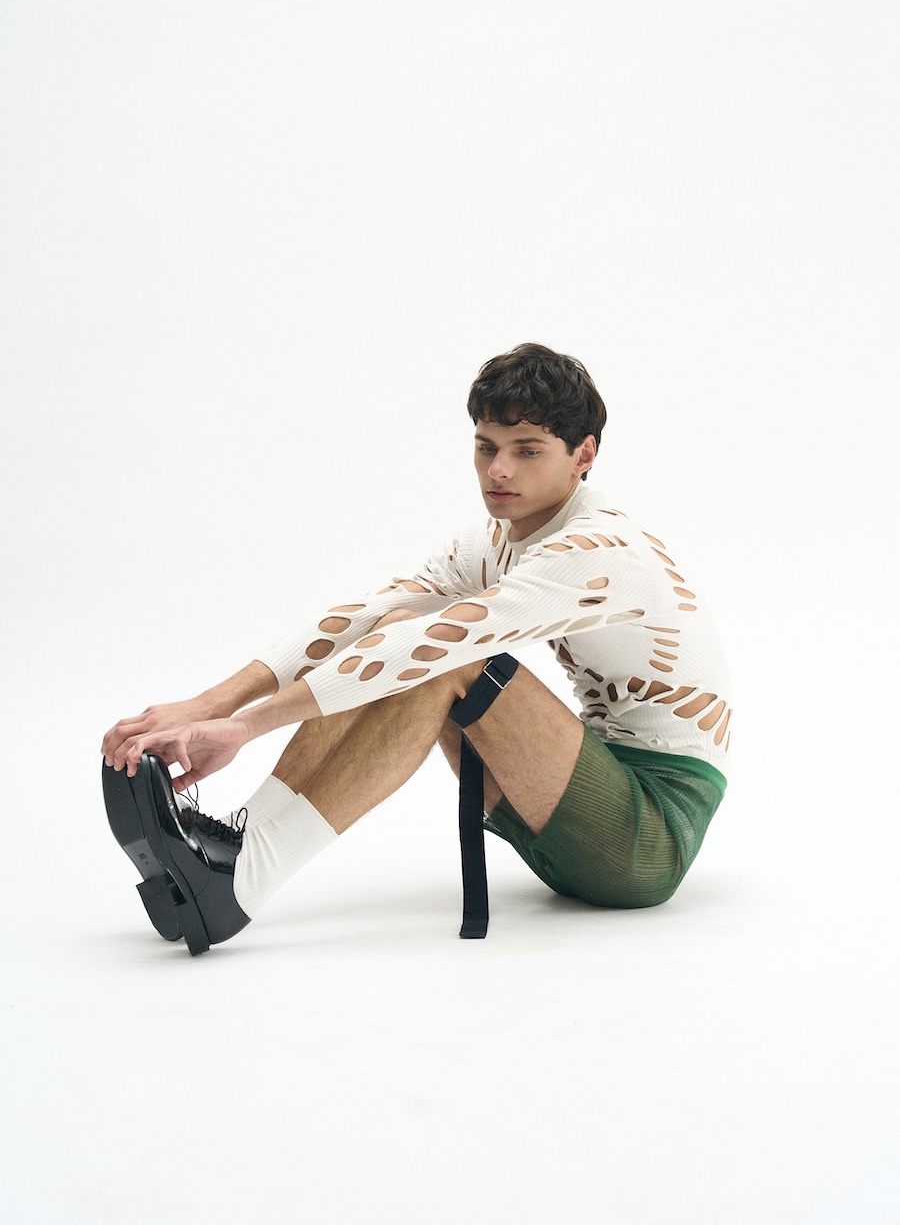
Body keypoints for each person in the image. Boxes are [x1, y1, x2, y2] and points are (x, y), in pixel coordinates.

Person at [102, 343, 731, 955]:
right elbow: (365, 619)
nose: (499, 470)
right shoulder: (494, 541)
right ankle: (239, 847)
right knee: (398, 626)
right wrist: (209, 705)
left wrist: (243, 729)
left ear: (583, 455)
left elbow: (430, 647)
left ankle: (243, 881)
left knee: (444, 656)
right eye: (486, 447)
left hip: (647, 833)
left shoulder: (599, 550)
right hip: (564, 809)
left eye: (527, 451)